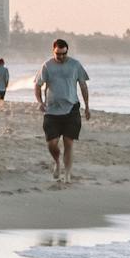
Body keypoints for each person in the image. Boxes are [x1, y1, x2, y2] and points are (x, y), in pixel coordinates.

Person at [35, 38, 90, 185]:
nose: (61, 57)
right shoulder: (47, 66)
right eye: (58, 54)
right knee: (52, 144)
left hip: (71, 109)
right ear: (53, 51)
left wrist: (87, 107)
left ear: (67, 51)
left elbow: (83, 86)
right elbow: (37, 85)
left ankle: (67, 174)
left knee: (68, 142)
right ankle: (57, 162)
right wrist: (40, 102)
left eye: (63, 54)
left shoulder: (75, 65)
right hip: (51, 111)